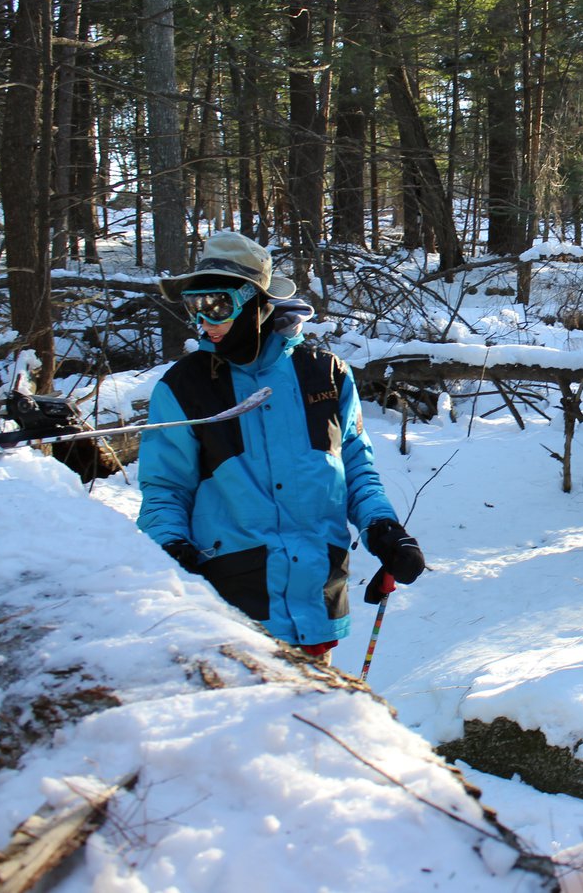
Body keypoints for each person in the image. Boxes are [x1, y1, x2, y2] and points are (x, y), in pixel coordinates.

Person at [137, 231, 424, 662]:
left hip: (315, 596)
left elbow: (355, 470)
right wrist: (171, 547)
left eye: (216, 306)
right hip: (231, 611)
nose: (204, 322)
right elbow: (164, 489)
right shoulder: (184, 386)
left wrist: (384, 529)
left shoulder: (325, 374)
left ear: (256, 302)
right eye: (193, 307)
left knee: (313, 726)